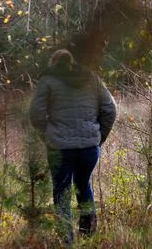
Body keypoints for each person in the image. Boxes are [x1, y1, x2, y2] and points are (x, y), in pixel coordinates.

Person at [29, 49, 117, 244]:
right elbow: (110, 109)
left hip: (59, 147)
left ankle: (66, 241)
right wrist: (99, 136)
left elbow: (35, 114)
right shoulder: (91, 78)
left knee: (61, 191)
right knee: (83, 184)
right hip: (89, 147)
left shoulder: (48, 80)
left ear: (54, 63)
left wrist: (48, 135)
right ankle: (88, 235)